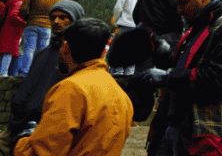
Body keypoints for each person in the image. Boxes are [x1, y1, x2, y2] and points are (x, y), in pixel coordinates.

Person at [142, 0, 222, 156]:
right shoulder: (193, 31)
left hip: (207, 131)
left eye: (183, 2)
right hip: (176, 126)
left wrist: (168, 76)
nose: (179, 10)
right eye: (177, 4)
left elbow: (220, 77)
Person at [13, 18, 133, 156]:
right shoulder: (121, 95)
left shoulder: (71, 90)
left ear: (65, 48)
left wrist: (21, 141)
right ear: (102, 53)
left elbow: (44, 152)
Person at [9, 0, 85, 136]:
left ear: (75, 20)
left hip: (48, 128)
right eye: (53, 17)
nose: (56, 21)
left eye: (63, 17)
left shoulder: (77, 56)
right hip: (19, 125)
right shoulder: (42, 54)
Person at [18, 0, 63, 73]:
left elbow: (23, 9)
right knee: (43, 50)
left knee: (29, 48)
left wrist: (27, 18)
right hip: (47, 26)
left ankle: (24, 71)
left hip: (32, 24)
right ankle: (40, 71)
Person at [110, 0, 144, 75]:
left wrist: (116, 21)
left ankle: (117, 74)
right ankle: (129, 75)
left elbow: (117, 9)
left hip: (124, 26)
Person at [0, 0, 26, 76]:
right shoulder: (19, 2)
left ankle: (4, 72)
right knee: (9, 52)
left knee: (6, 52)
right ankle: (3, 73)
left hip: (8, 29)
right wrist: (25, 23)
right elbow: (13, 15)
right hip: (13, 30)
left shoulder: (12, 1)